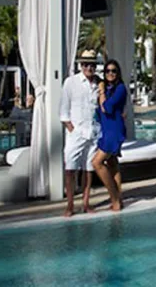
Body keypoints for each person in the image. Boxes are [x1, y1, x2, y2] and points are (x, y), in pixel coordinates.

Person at [59, 50, 101, 217]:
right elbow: (63, 108)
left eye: (91, 64)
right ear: (81, 65)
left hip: (93, 132)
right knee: (70, 168)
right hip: (76, 132)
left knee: (88, 170)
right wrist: (71, 127)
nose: (88, 67)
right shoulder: (71, 82)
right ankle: (70, 205)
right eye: (85, 64)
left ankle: (85, 203)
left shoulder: (99, 83)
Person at [92, 59, 127, 211]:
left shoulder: (120, 88)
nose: (110, 74)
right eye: (107, 71)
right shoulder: (109, 89)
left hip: (113, 131)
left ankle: (114, 200)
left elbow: (106, 108)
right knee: (112, 164)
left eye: (113, 71)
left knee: (97, 163)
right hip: (107, 130)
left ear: (118, 73)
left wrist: (100, 90)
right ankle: (119, 199)